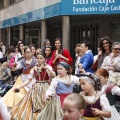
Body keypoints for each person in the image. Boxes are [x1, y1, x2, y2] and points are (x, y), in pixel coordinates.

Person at [10, 52, 55, 120]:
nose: (39, 60)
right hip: (36, 88)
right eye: (38, 58)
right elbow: (28, 81)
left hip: (45, 87)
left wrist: (47, 68)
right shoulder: (34, 68)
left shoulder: (48, 67)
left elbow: (54, 75)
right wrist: (18, 87)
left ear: (44, 59)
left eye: (41, 58)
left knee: (45, 105)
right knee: (33, 106)